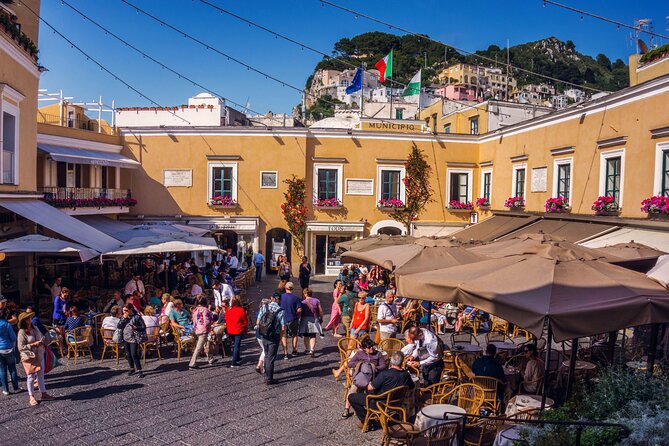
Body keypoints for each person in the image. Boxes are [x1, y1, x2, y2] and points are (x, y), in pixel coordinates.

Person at [347, 351, 414, 429]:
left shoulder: (385, 374)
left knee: (352, 397)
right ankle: (371, 419)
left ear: (391, 361)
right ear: (402, 362)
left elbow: (369, 387)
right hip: (397, 403)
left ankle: (366, 420)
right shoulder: (406, 374)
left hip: (379, 404)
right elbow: (412, 386)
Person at [337, 336, 387, 419]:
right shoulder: (359, 354)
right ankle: (346, 408)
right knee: (353, 389)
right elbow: (350, 364)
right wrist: (359, 363)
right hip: (362, 377)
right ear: (364, 349)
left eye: (372, 346)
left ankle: (372, 409)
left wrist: (373, 367)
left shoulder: (378, 354)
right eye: (369, 347)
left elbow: (383, 366)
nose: (372, 348)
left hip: (373, 377)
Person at [17, 312, 55, 406]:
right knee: (31, 377)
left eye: (30, 317)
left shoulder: (35, 327)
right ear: (24, 321)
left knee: (41, 375)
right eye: (28, 318)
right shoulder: (22, 332)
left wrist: (42, 341)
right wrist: (34, 344)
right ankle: (31, 396)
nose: (30, 319)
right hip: (31, 357)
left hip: (40, 354)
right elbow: (20, 347)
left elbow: (40, 336)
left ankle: (44, 393)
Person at [257, 294, 285, 385]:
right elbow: (283, 327)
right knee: (271, 357)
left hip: (264, 335)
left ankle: (266, 375)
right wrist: (280, 337)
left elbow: (258, 322)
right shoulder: (281, 311)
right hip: (274, 336)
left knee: (266, 354)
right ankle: (269, 378)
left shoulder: (264, 307)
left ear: (272, 299)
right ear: (279, 300)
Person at [117, 304, 145, 378]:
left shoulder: (137, 317)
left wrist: (136, 327)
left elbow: (143, 327)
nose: (125, 312)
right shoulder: (123, 317)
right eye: (123, 311)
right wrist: (123, 318)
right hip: (125, 337)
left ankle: (139, 370)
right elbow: (119, 326)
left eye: (126, 310)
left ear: (131, 309)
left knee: (134, 354)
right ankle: (132, 368)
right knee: (128, 354)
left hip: (134, 338)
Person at [189, 297, 215, 370]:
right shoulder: (205, 310)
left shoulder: (195, 309)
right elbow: (207, 321)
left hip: (196, 329)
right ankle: (192, 363)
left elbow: (193, 320)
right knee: (199, 347)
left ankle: (210, 359)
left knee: (206, 343)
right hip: (203, 329)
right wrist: (211, 324)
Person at [0, 310, 20, 396]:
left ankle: (5, 390)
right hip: (8, 348)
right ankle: (16, 387)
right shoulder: (7, 324)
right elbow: (13, 337)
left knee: (2, 370)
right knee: (12, 368)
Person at [298, 288, 323, 358]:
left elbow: (300, 311)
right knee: (313, 335)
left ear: (305, 294)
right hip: (314, 319)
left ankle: (307, 349)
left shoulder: (302, 302)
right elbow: (320, 310)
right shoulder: (316, 300)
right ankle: (312, 349)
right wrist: (321, 318)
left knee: (306, 335)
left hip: (305, 319)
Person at [280, 282, 302, 359]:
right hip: (293, 318)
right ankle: (294, 350)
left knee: (283, 336)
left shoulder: (281, 297)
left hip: (283, 320)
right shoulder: (296, 298)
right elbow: (299, 310)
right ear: (292, 288)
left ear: (285, 288)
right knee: (294, 335)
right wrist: (295, 313)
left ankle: (285, 353)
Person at [225, 296, 247, 367]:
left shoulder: (228, 309)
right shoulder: (241, 310)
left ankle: (238, 358)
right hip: (238, 330)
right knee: (236, 346)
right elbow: (245, 321)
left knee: (235, 345)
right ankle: (234, 362)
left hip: (230, 330)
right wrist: (244, 328)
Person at [254, 298, 271, 374]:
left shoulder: (258, 312)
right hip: (265, 334)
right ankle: (260, 365)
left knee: (265, 349)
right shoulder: (270, 313)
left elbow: (257, 322)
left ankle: (262, 367)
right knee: (266, 350)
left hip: (258, 334)